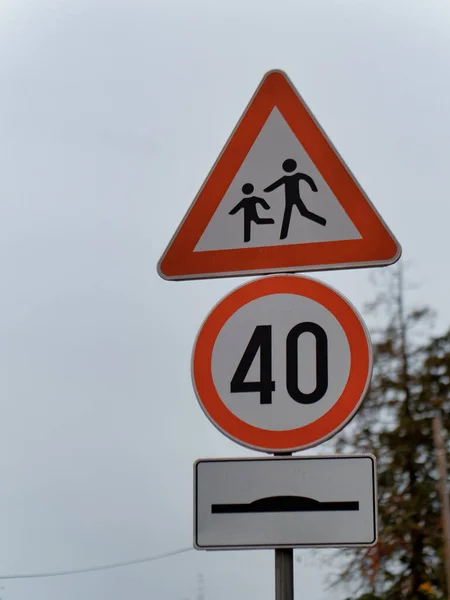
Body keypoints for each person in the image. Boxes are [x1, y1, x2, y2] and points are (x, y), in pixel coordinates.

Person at [264, 158, 326, 239]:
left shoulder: (296, 176)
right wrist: (266, 190)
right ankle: (283, 235)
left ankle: (322, 221)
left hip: (296, 199)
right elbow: (275, 185)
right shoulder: (286, 178)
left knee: (299, 213)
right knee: (292, 214)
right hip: (290, 200)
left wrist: (314, 188)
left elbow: (308, 179)